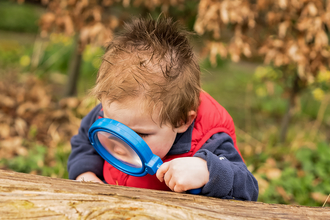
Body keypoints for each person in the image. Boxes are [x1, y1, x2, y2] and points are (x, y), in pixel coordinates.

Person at [68, 17, 259, 201]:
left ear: (182, 120)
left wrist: (208, 171)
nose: (120, 145)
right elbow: (84, 142)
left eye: (140, 135)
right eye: (111, 128)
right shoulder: (111, 111)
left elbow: (248, 187)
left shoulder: (209, 140)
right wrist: (86, 174)